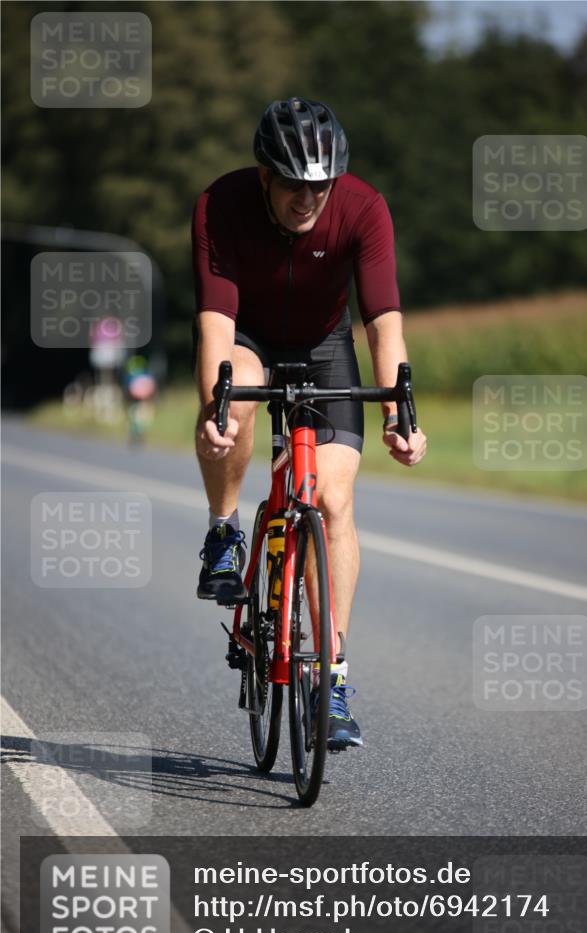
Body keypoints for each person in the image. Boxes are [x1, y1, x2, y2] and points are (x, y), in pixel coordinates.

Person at [192, 97, 427, 749]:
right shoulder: (221, 204)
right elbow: (214, 322)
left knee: (333, 500)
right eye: (294, 184)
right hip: (247, 336)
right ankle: (223, 531)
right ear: (264, 174)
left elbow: (383, 320)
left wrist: (398, 413)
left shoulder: (363, 207)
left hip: (324, 346)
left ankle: (331, 680)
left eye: (320, 185)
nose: (308, 198)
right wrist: (215, 409)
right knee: (236, 400)